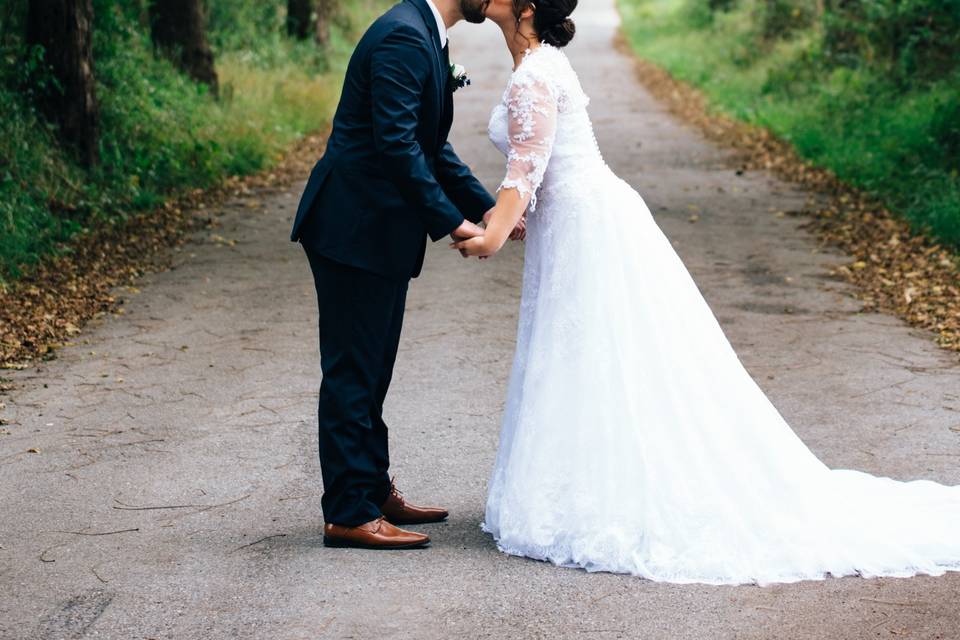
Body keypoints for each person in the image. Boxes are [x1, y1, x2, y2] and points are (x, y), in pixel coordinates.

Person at [453, 0, 960, 585]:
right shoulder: (542, 65)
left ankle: (597, 495)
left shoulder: (538, 72)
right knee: (584, 356)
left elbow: (524, 172)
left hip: (586, 226)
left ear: (527, 6)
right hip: (575, 221)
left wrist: (490, 234)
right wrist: (509, 220)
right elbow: (538, 172)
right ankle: (582, 481)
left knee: (595, 353)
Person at [291, 0, 521, 550]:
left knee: (373, 368)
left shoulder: (425, 34)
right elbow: (395, 146)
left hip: (377, 232)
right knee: (353, 371)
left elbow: (428, 145)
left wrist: (485, 208)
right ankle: (348, 511)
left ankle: (370, 487)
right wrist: (454, 223)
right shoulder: (402, 37)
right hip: (353, 226)